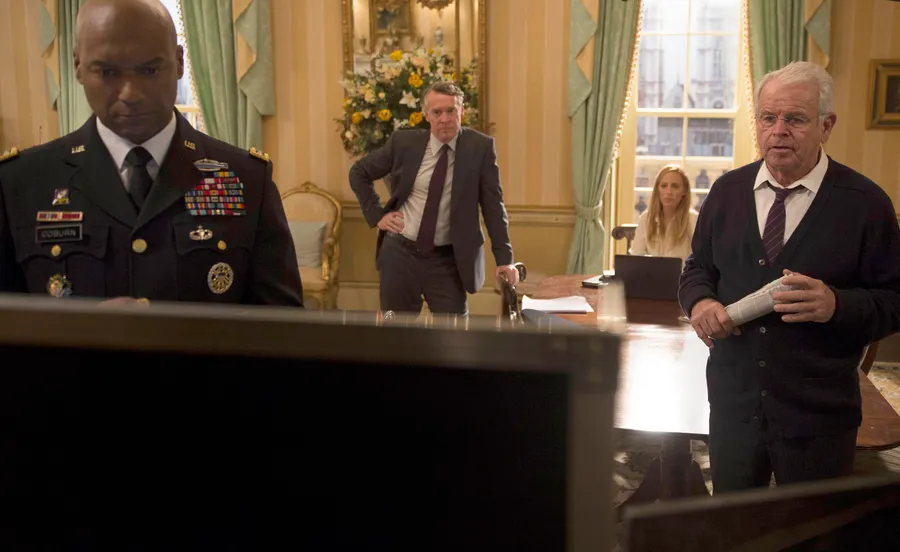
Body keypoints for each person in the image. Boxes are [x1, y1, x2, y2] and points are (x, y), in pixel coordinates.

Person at [679, 61, 900, 494]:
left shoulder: (866, 204)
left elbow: (895, 299)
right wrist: (700, 301)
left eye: (795, 119)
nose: (778, 130)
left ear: (826, 126)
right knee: (733, 523)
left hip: (818, 415)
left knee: (813, 526)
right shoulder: (726, 192)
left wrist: (837, 305)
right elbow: (697, 268)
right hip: (734, 406)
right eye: (768, 117)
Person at [0, 0, 303, 306]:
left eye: (150, 70)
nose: (131, 93)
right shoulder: (21, 183)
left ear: (180, 62)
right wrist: (84, 330)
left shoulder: (247, 179)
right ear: (78, 66)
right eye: (107, 72)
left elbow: (283, 325)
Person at [349, 80, 518, 315]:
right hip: (400, 254)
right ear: (426, 114)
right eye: (437, 112)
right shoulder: (403, 143)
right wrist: (377, 215)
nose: (445, 119)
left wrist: (504, 259)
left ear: (461, 111)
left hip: (447, 260)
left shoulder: (480, 148)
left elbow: (494, 207)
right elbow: (359, 172)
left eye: (451, 111)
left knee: (453, 332)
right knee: (395, 331)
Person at [630, 164, 698, 262]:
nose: (668, 192)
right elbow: (636, 256)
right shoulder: (646, 219)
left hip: (683, 272)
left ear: (684, 191)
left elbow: (700, 260)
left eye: (675, 186)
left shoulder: (693, 220)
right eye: (664, 186)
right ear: (657, 189)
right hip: (651, 272)